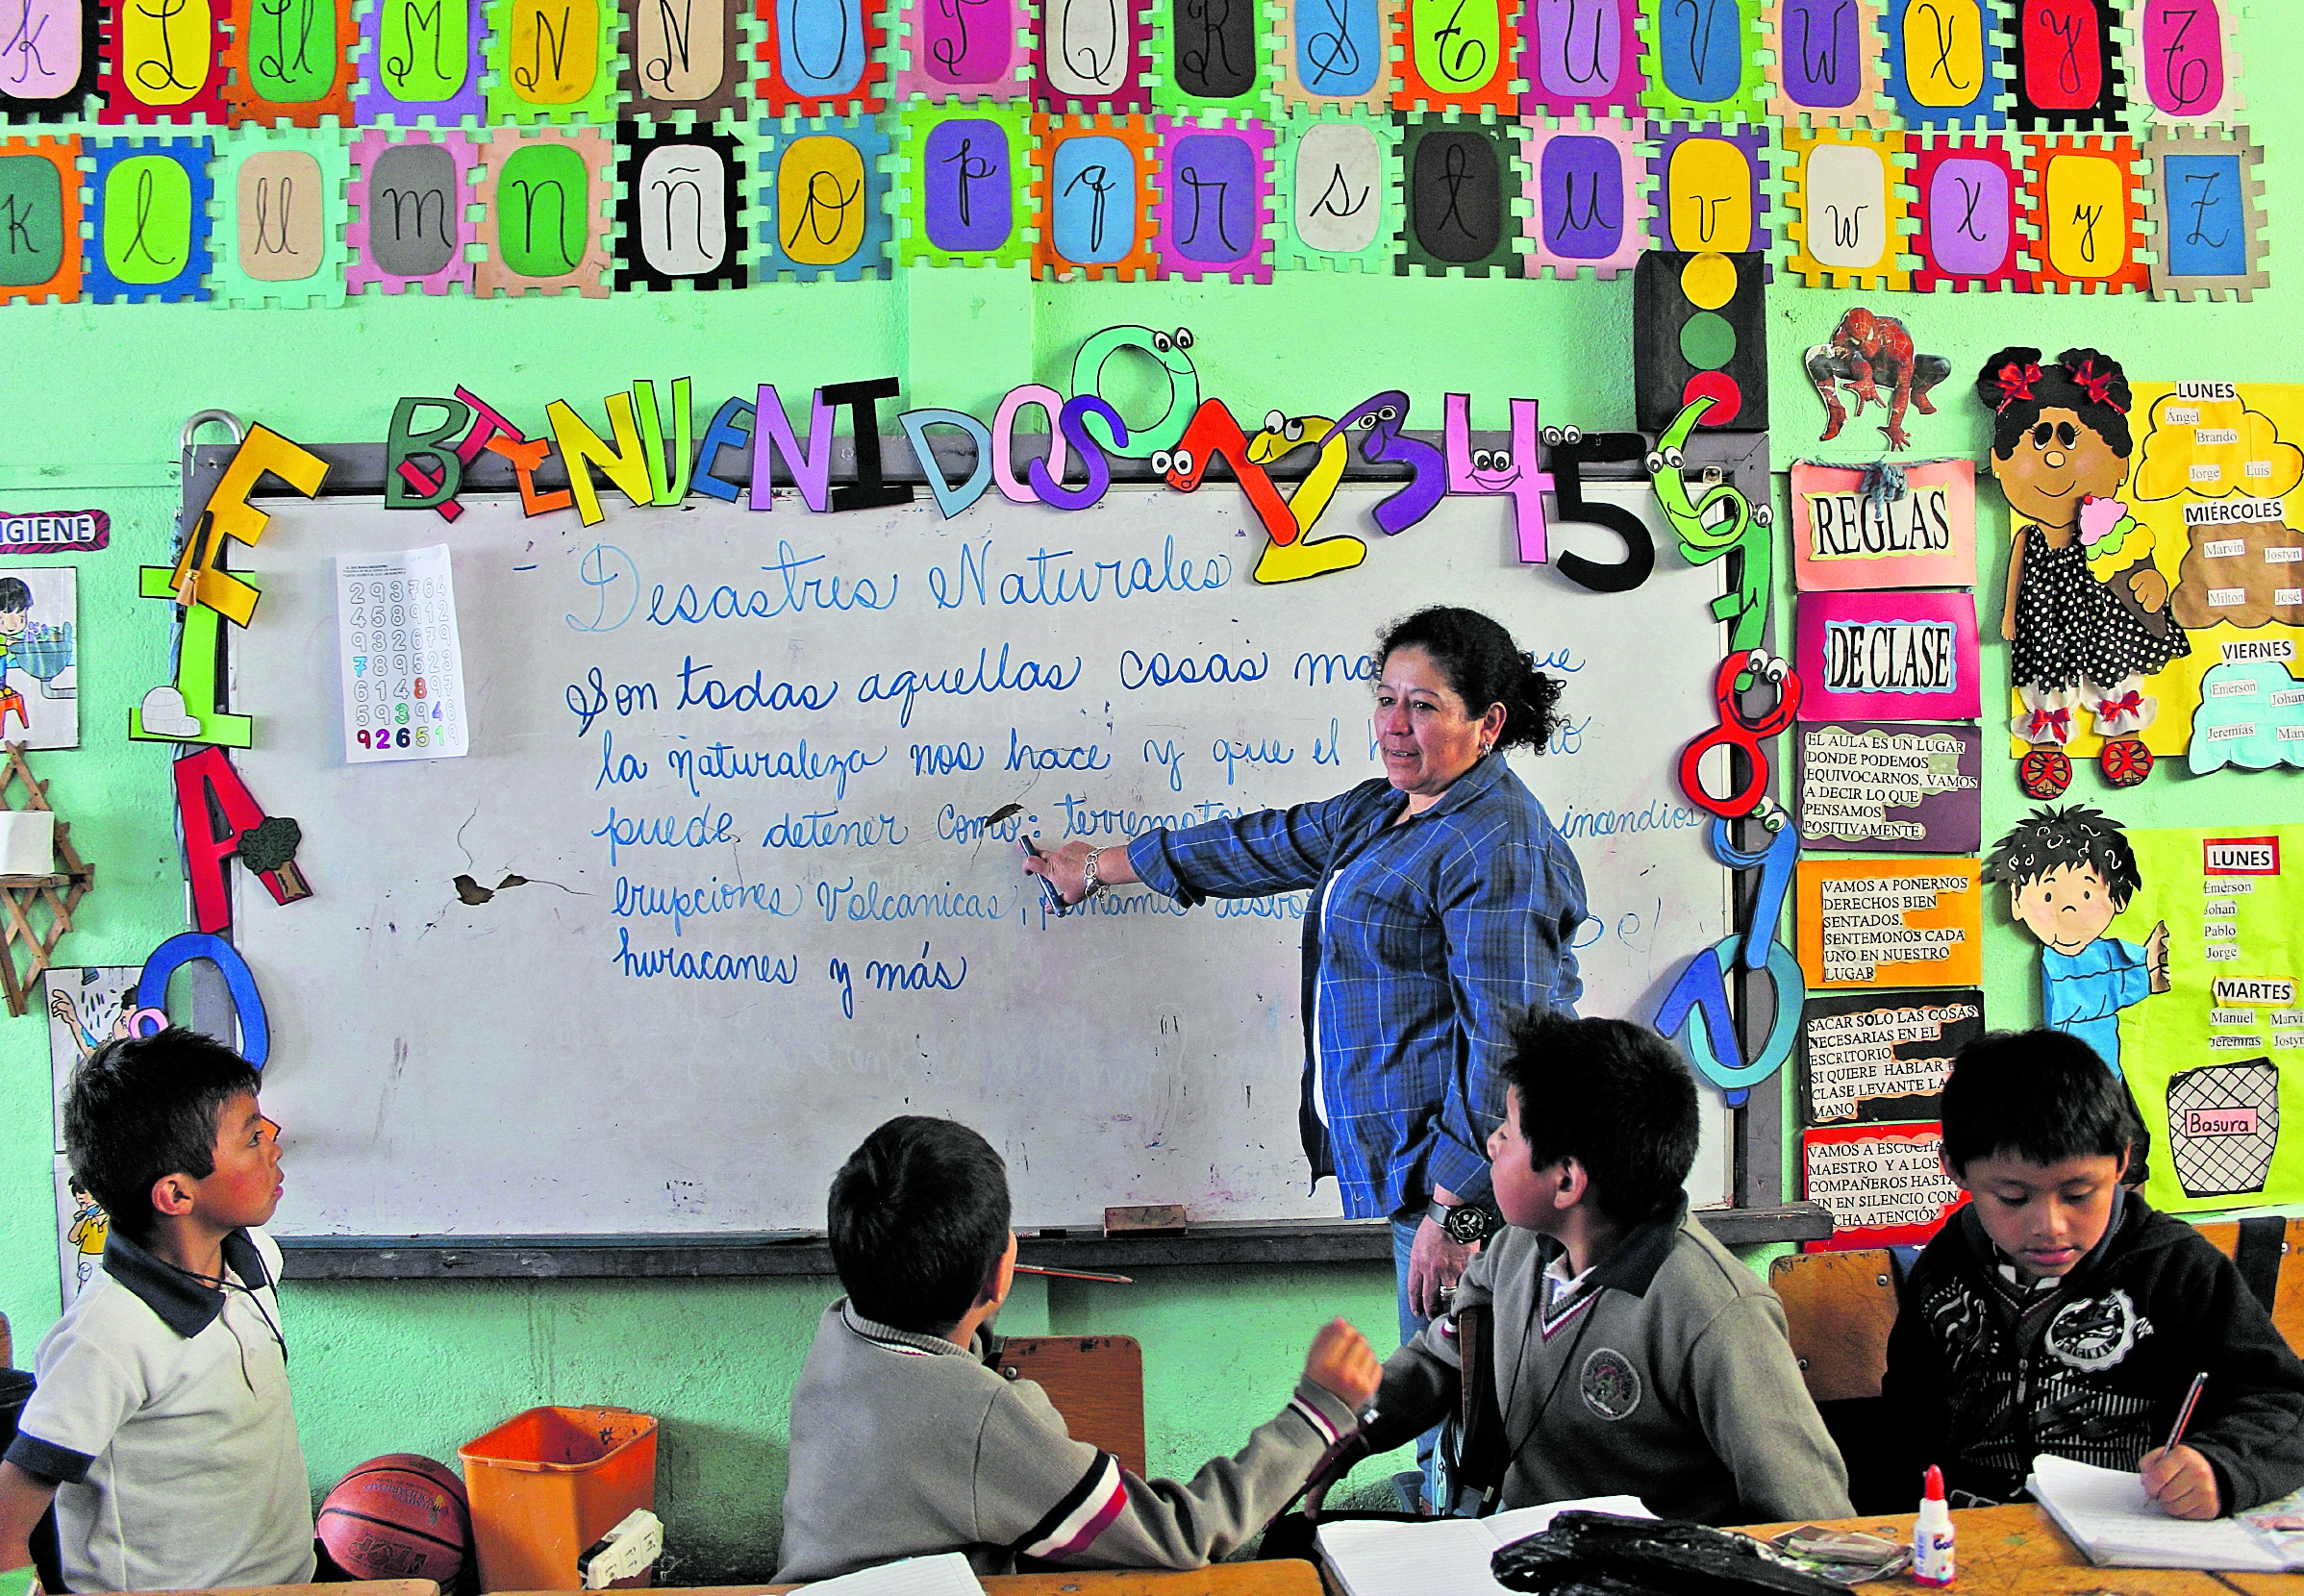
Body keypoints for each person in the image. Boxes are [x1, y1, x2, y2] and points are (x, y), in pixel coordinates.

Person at [1023, 605, 1586, 1509]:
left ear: (1490, 724)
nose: (1397, 726)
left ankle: (1460, 1553)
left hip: (1466, 1190)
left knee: (1471, 1416)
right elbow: (1262, 843)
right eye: (1388, 699)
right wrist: (1102, 865)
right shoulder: (1388, 812)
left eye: (1427, 707)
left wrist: (1458, 1211)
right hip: (1421, 1181)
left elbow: (1508, 1051)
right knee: (1446, 1408)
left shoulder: (1497, 844)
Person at [776, 1115, 1381, 1581]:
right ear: (999, 1278)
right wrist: (1316, 1415)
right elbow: (1179, 1536)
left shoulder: (839, 1337)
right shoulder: (985, 1423)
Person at [1358, 1010, 1851, 1524]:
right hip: (1525, 1552)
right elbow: (1441, 1359)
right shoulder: (1515, 1251)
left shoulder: (1717, 1312)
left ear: (1567, 1182)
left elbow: (1811, 1519)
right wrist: (1326, 1434)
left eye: (1507, 1131)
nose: (1491, 1144)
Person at [1883, 1030, 2304, 1516]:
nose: (2050, 1227)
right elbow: (1906, 1418)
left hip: (2134, 1539)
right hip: (1971, 1538)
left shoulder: (2176, 1268)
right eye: (2013, 1198)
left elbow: (2281, 1399)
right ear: (1955, 1169)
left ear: (2122, 1162)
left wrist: (2223, 1467)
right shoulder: (1947, 1266)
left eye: (2080, 1194)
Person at [0, 1028, 313, 1592]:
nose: (275, 1143)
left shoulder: (252, 1260)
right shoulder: (108, 1338)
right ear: (176, 1195)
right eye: (250, 1139)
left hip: (284, 1583)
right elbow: (8, 1519)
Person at [1976, 346, 2187, 797]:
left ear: (2120, 461)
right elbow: (2015, 574)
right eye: (2041, 441)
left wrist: (2153, 583)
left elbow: (2134, 561)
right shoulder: (2028, 538)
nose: (2054, 459)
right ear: (1999, 461)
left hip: (2102, 615)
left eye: (2070, 440)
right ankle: (2049, 736)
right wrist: (2010, 617)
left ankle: (2122, 729)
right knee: (2045, 672)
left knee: (2114, 662)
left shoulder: (2107, 528)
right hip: (2045, 621)